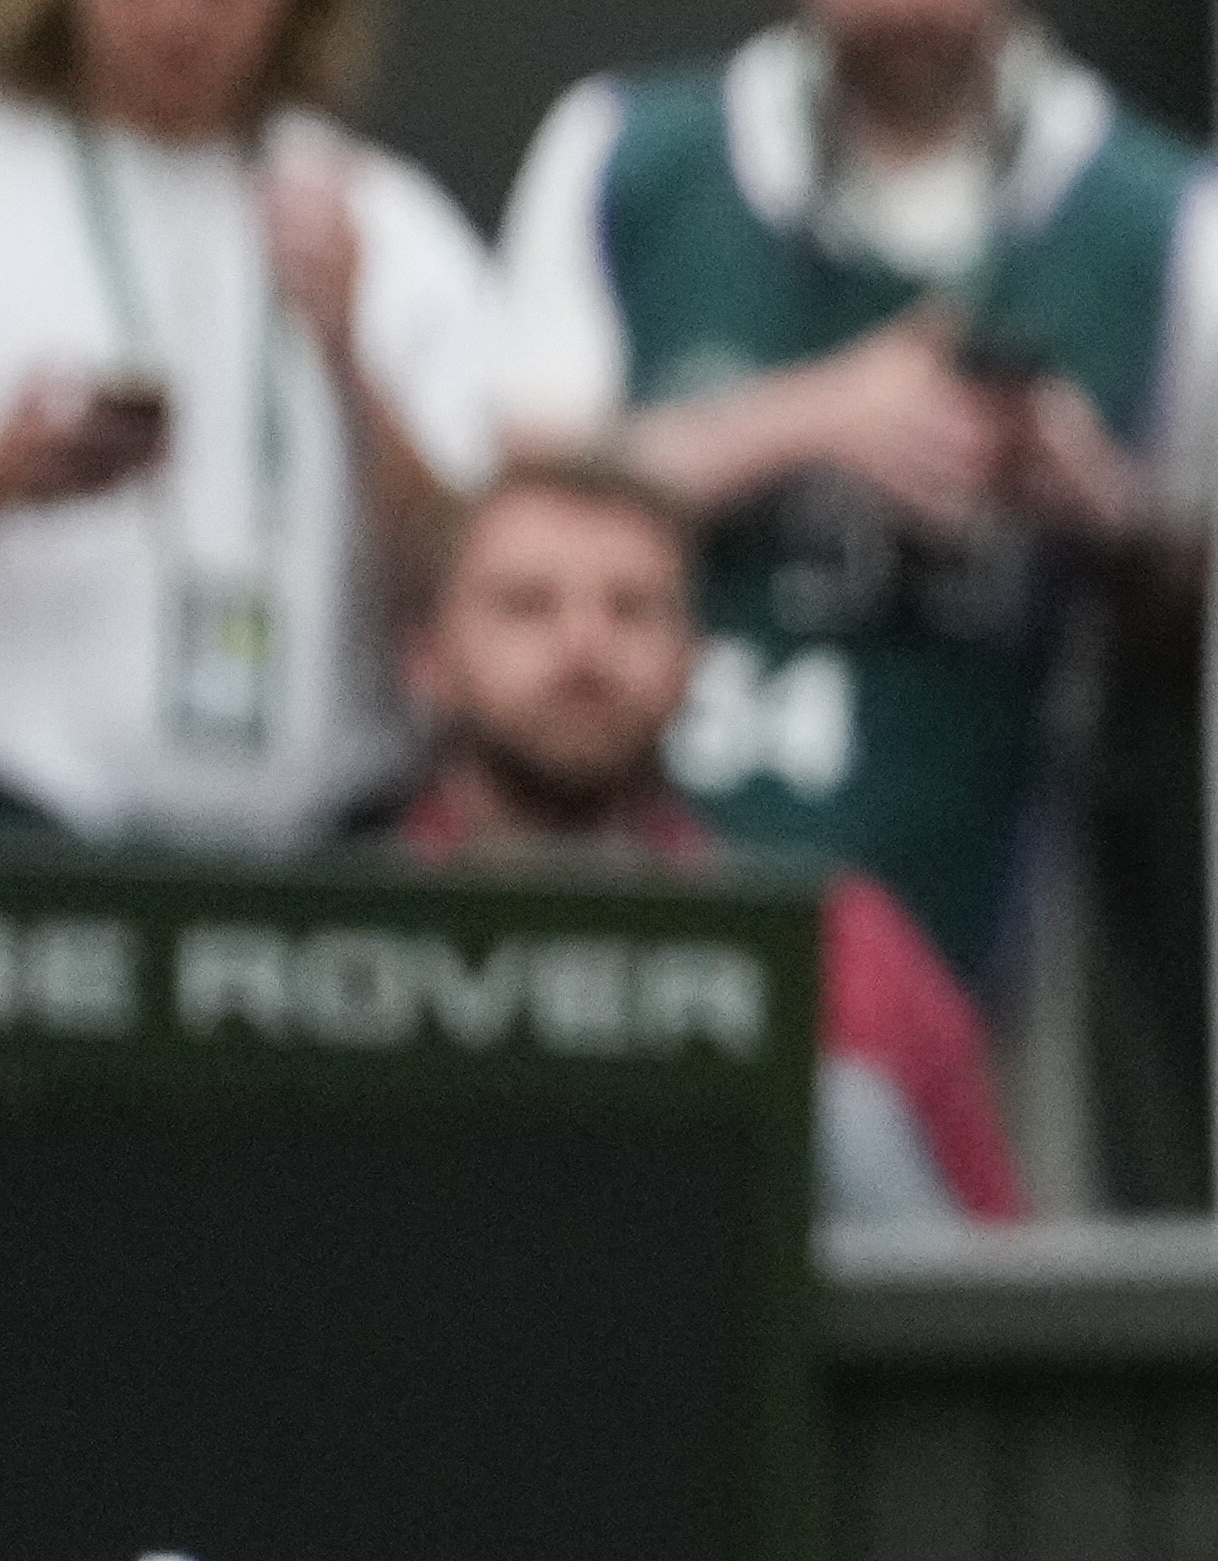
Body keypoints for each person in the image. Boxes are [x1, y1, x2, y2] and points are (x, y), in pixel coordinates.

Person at [492, 0, 1218, 999]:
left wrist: (1101, 508)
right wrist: (812, 417)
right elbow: (521, 512)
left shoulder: (1180, 234)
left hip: (979, 873)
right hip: (635, 877)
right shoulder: (629, 157)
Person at [0, 0, 496, 845]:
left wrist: (349, 361)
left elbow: (482, 586)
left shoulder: (384, 219)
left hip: (326, 849)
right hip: (17, 839)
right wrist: (1, 476)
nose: (178, 13)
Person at [385, 460, 1022, 1231]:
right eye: (527, 606)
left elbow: (992, 1295)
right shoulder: (304, 935)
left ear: (693, 664)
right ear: (425, 661)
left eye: (632, 610)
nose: (584, 646)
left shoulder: (839, 945)